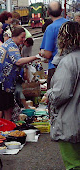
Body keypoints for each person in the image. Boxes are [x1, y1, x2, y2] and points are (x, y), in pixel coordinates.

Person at [46, 21, 80, 170]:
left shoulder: (68, 61)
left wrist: (49, 95)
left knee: (73, 164)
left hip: (71, 121)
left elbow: (62, 93)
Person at [0, 27, 41, 120]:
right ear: (14, 36)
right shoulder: (11, 46)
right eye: (22, 37)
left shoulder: (14, 44)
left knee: (8, 105)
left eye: (24, 37)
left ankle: (8, 126)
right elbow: (18, 61)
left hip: (6, 82)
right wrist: (36, 57)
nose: (24, 40)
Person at [40, 1, 68, 89]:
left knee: (53, 96)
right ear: (62, 10)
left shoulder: (51, 28)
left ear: (48, 12)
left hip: (55, 67)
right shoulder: (70, 24)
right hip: (73, 66)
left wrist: (42, 53)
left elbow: (47, 54)